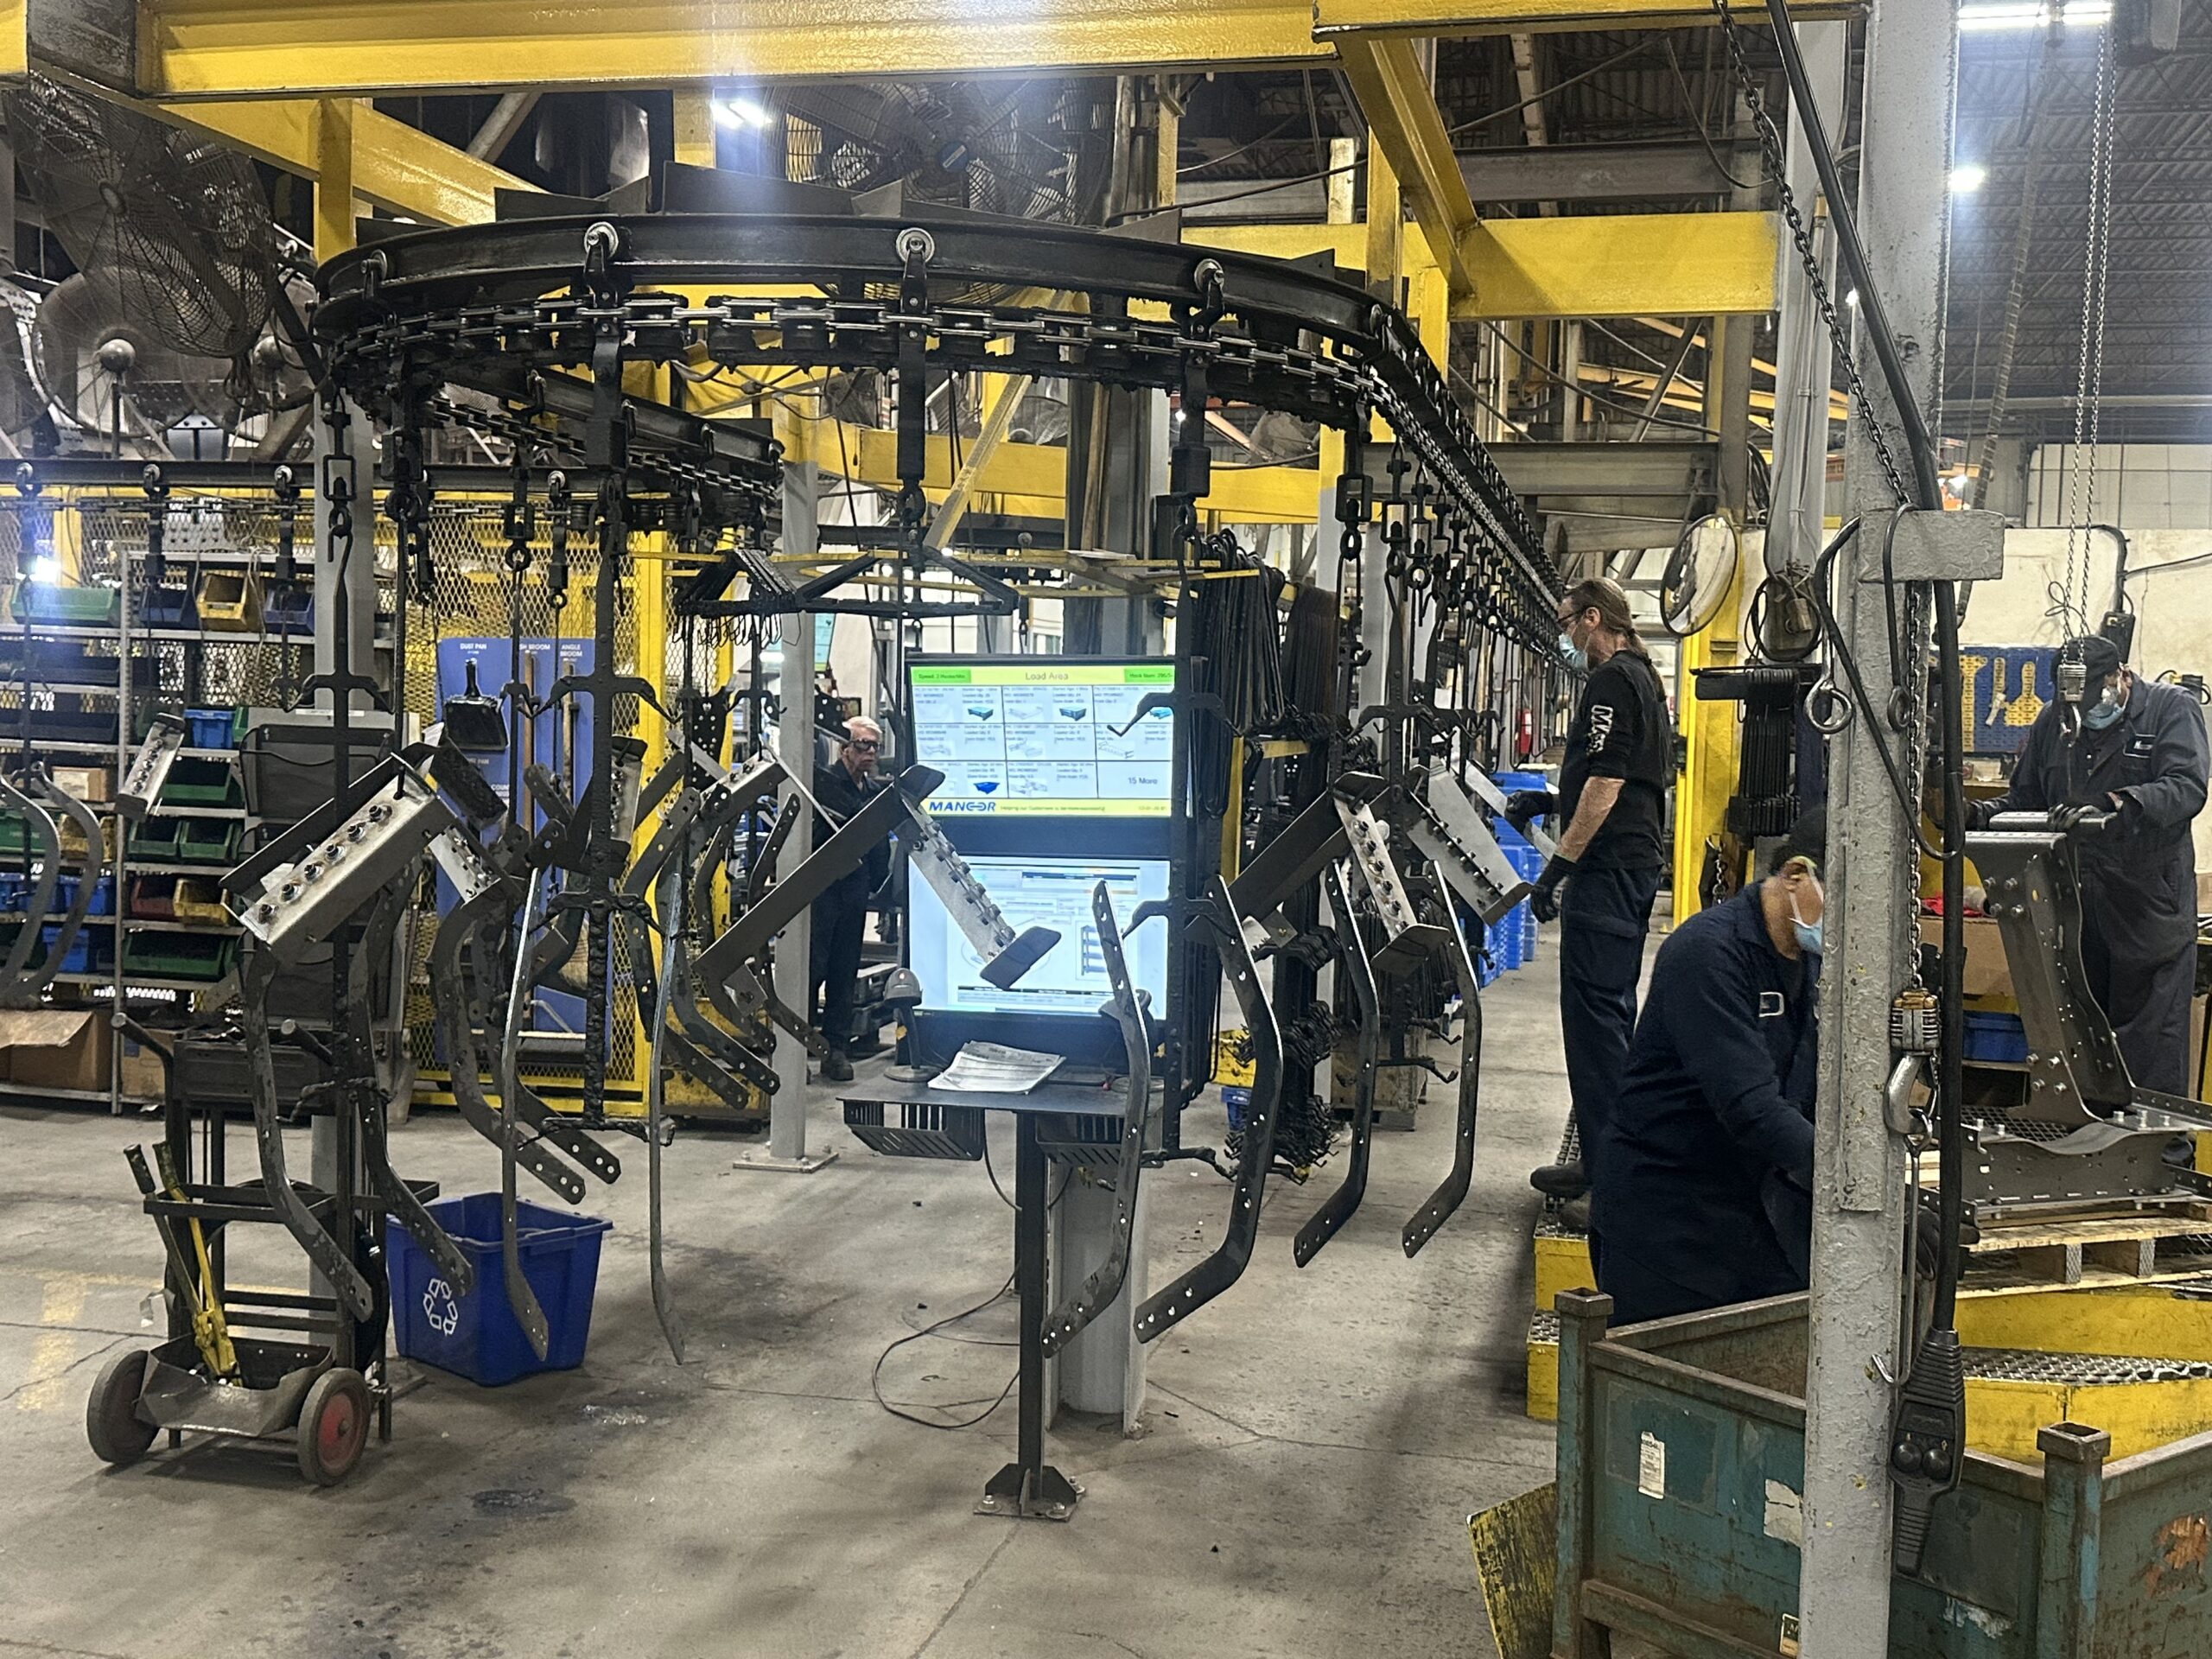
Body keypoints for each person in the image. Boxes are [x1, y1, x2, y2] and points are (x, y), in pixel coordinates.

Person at [1590, 813, 1825, 1325]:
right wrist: (1855, 1184)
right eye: (1847, 900)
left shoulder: (1812, 963)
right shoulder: (1707, 955)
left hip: (1747, 1212)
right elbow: (1753, 1109)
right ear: (1795, 875)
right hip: (1666, 1226)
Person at [1970, 634, 2209, 1095]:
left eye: (2092, 698)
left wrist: (2115, 805)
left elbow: (2186, 787)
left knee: (2149, 1050)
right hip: (2076, 910)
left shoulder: (2169, 711)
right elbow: (2026, 800)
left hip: (2147, 911)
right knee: (2083, 1044)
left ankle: (2157, 1157)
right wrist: (1977, 814)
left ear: (2120, 677)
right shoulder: (2056, 723)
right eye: (2069, 704)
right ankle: (2092, 1153)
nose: (2081, 716)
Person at [1508, 576, 1675, 1203]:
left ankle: (1610, 1180)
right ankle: (1606, 1159)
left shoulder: (1610, 681)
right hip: (1630, 864)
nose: (1565, 634)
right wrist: (1551, 799)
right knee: (1608, 1016)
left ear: (1594, 618)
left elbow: (1606, 783)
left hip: (1607, 874)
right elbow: (1624, 780)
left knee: (1595, 1023)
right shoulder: (1645, 681)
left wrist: (1558, 868)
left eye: (1567, 621)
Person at [811, 715, 894, 1084]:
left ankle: (836, 1048)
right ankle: (799, 1049)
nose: (871, 753)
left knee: (844, 972)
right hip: (822, 890)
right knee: (813, 969)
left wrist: (881, 887)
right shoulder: (825, 784)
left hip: (855, 892)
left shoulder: (872, 792)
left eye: (875, 746)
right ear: (845, 748)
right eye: (863, 745)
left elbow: (878, 845)